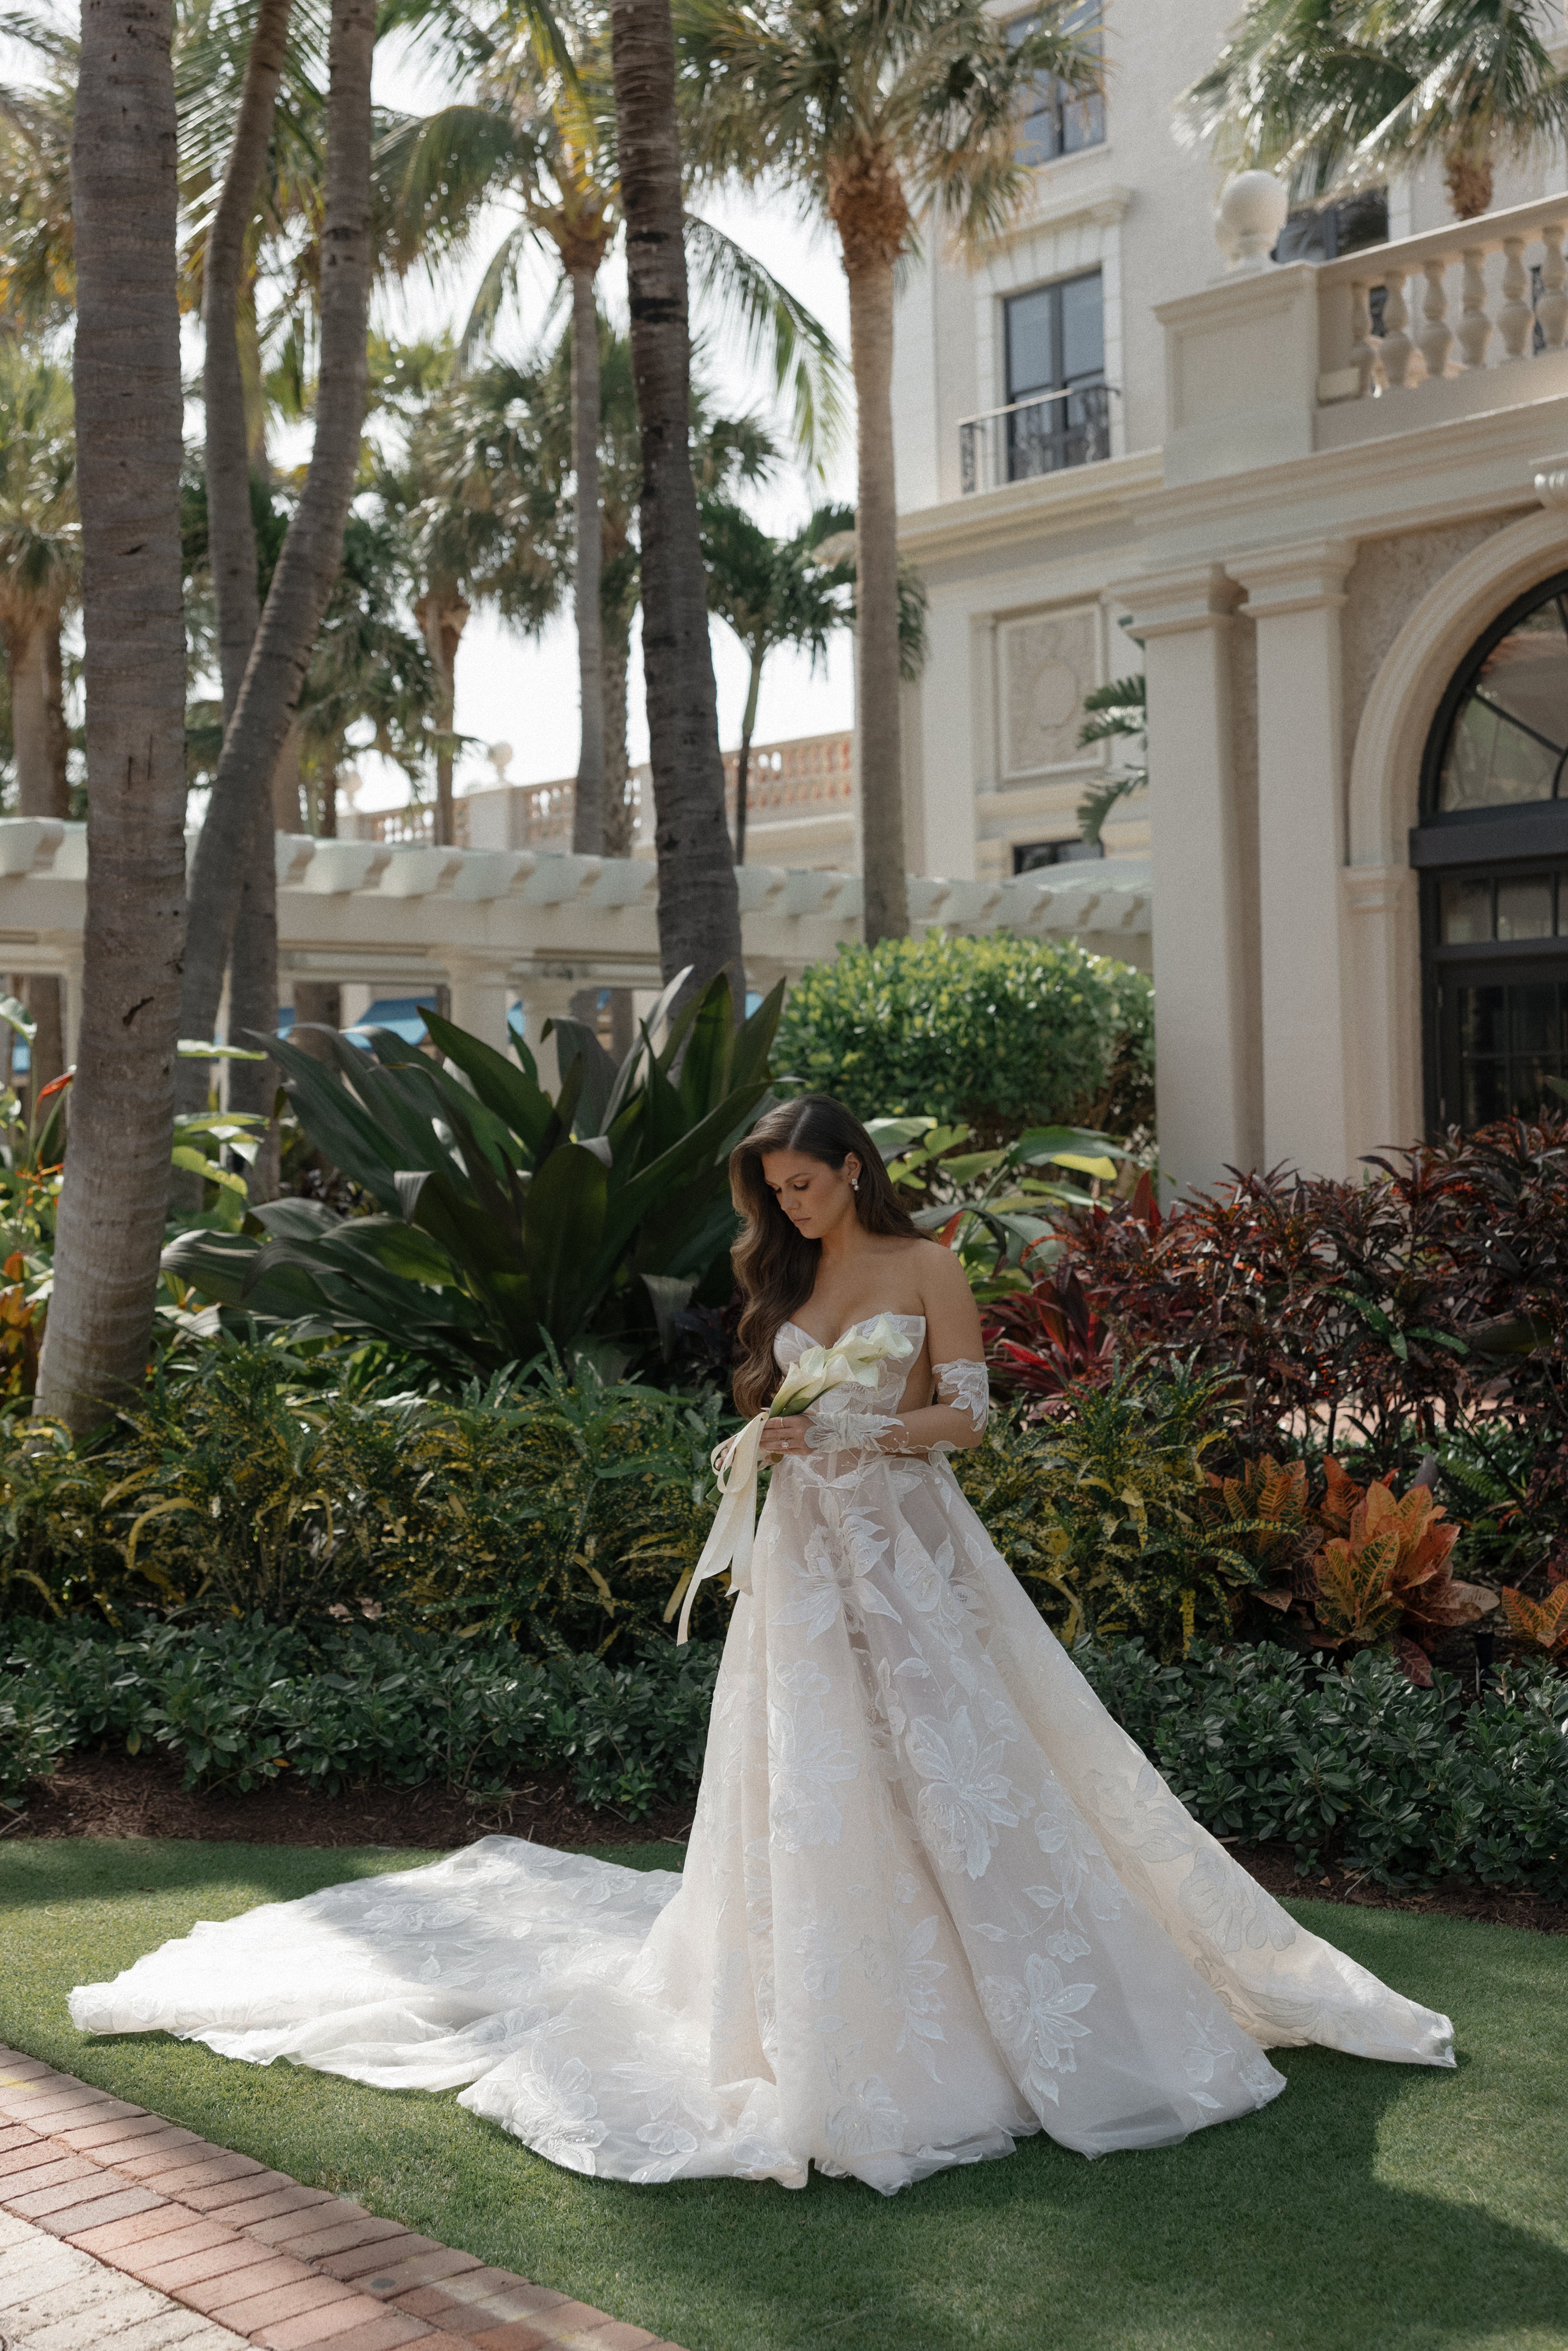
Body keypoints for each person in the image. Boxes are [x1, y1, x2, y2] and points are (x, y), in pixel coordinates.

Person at [71, 1094, 1453, 2194]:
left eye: (799, 1185)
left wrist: (851, 1426)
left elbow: (971, 1420)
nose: (783, 1209)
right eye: (771, 1196)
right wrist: (781, 1434)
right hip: (804, 1559)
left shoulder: (928, 1263)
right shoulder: (786, 1273)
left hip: (910, 1552)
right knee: (818, 1772)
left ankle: (1030, 2008)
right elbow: (787, 1404)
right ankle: (826, 2004)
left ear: (852, 1166)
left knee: (960, 1759)